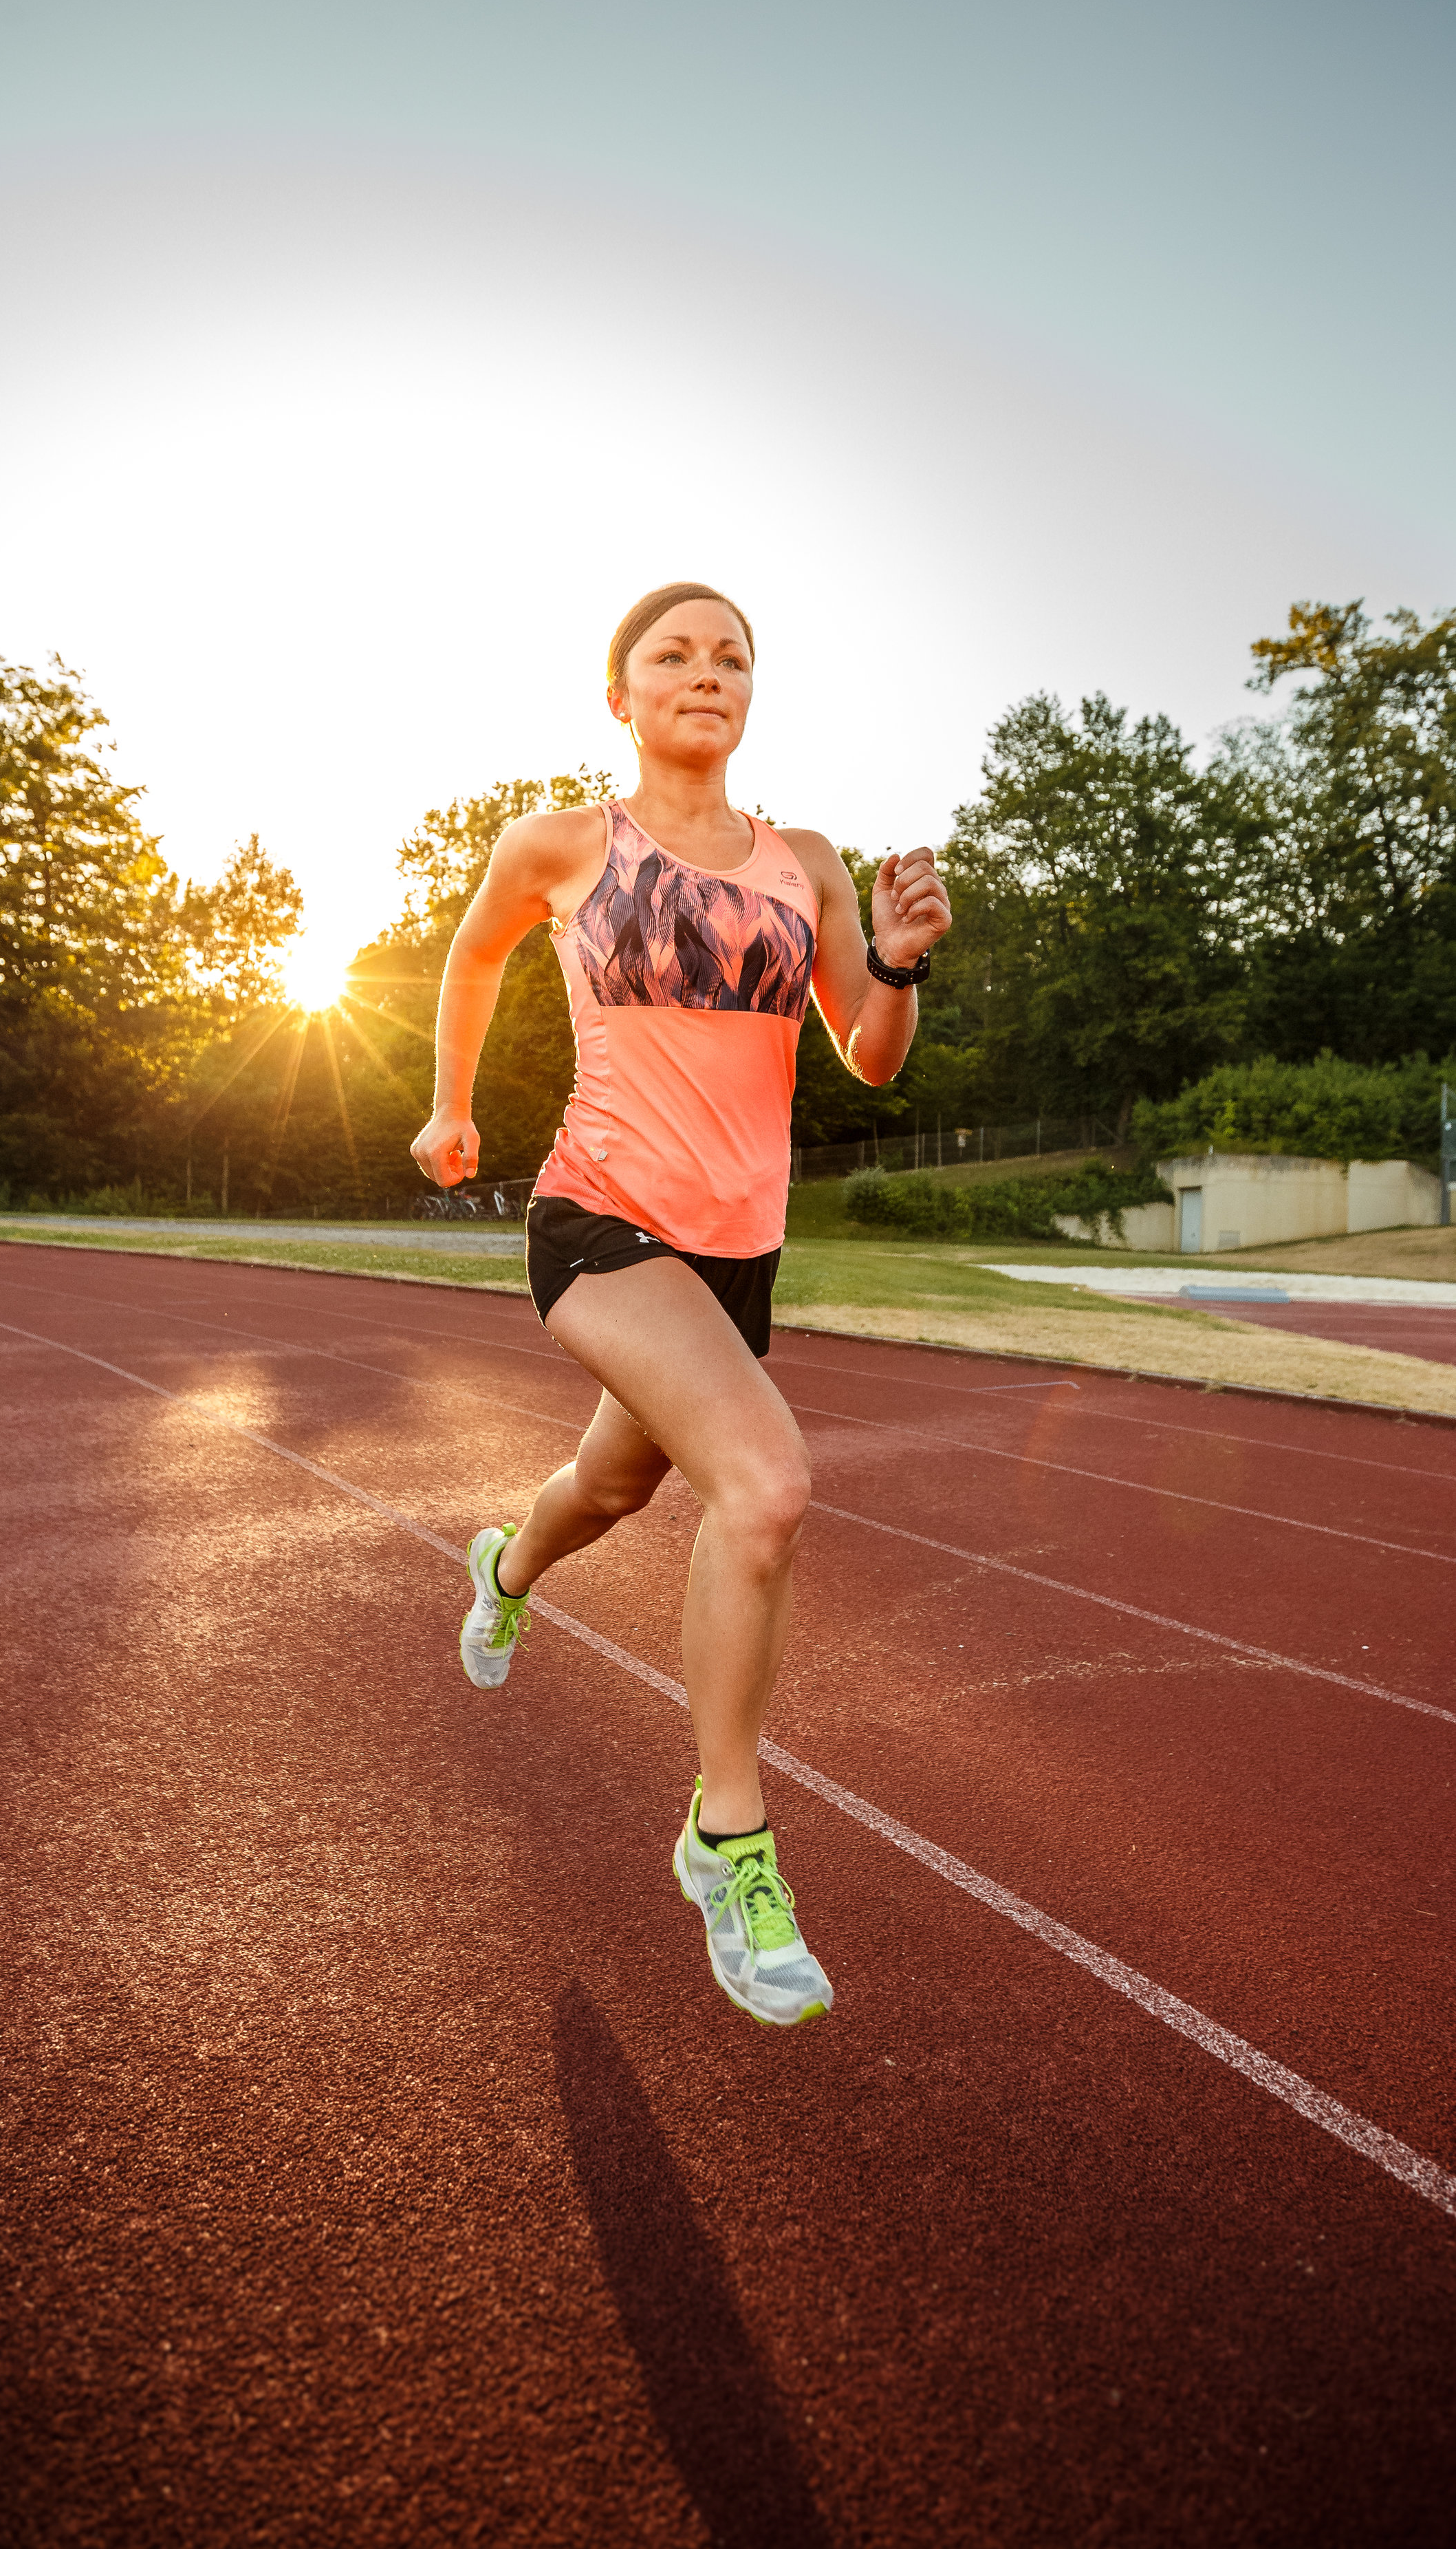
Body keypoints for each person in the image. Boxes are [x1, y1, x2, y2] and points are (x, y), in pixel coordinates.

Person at [409, 583, 952, 2026]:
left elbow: (871, 1054)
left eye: (730, 656)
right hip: (596, 1217)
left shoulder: (810, 864)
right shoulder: (564, 844)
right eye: (672, 654)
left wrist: (896, 961)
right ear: (621, 694)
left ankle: (505, 1571)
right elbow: (468, 954)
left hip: (733, 1253)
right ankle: (727, 1838)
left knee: (610, 1484)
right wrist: (450, 1108)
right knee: (763, 1485)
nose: (703, 672)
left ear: (749, 694)